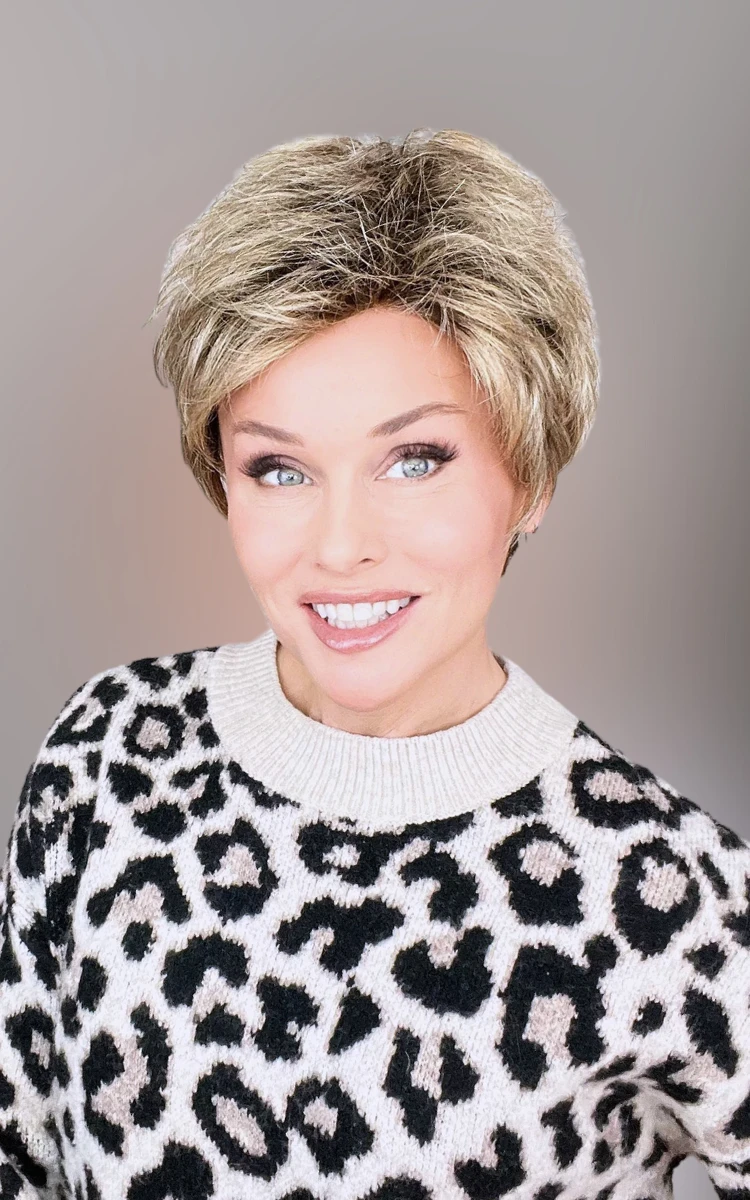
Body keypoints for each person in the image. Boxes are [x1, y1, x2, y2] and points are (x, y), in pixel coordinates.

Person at [1, 129, 748, 1200]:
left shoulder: (672, 894)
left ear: (532, 477)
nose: (341, 545)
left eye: (415, 459)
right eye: (279, 468)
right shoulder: (107, 754)